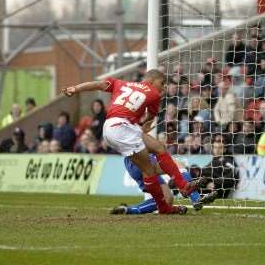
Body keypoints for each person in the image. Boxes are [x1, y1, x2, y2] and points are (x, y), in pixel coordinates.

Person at [62, 69, 204, 214]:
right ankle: (182, 188)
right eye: (162, 83)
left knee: (152, 164)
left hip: (111, 127)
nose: (163, 87)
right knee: (156, 157)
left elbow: (98, 84)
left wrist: (75, 88)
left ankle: (166, 205)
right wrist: (147, 123)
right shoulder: (154, 94)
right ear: (151, 81)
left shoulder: (121, 83)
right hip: (123, 128)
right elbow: (151, 115)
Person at [111, 154, 217, 214]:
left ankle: (128, 210)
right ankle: (194, 197)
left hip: (131, 164)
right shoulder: (137, 126)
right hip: (140, 157)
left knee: (167, 199)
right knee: (175, 164)